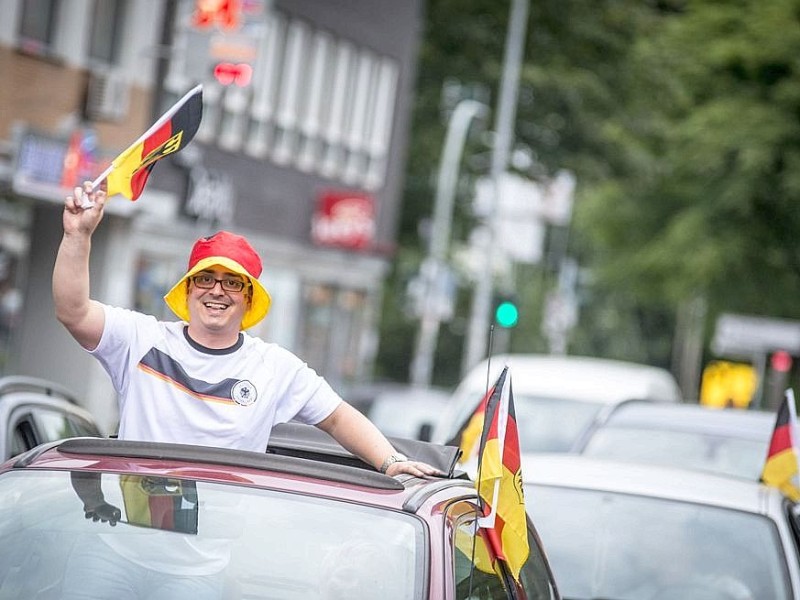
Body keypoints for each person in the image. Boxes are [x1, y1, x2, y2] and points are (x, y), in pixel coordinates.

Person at [52, 181, 441, 479]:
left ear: (249, 298)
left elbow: (338, 417)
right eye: (205, 278)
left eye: (233, 282)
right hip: (125, 546)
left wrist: (391, 462)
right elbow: (73, 311)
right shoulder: (141, 339)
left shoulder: (272, 367)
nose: (217, 290)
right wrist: (77, 235)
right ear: (187, 289)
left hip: (214, 559)